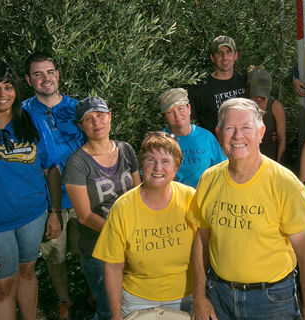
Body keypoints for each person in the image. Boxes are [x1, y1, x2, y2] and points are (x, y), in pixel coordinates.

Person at [0, 52, 83, 320]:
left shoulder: (32, 121)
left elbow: (50, 168)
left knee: (28, 273)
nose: (1, 94)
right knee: (1, 287)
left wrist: (53, 212)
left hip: (32, 215)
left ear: (16, 90)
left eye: (8, 87)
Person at [188, 98, 305, 320]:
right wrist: (199, 297)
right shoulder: (209, 179)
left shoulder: (285, 184)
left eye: (246, 128)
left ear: (261, 132)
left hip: (271, 300)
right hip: (219, 296)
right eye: (230, 128)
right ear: (219, 134)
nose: (238, 136)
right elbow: (201, 241)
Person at [93, 132, 197, 318]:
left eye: (166, 161)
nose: (158, 167)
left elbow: (205, 252)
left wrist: (202, 298)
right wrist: (116, 314)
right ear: (141, 165)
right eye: (151, 160)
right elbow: (113, 266)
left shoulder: (191, 198)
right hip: (136, 300)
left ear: (176, 168)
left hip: (185, 296)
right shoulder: (123, 207)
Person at [63, 97, 142, 320]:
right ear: (81, 126)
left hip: (134, 242)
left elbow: (139, 194)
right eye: (88, 119)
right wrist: (122, 235)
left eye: (100, 115)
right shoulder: (77, 163)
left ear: (109, 117)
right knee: (109, 309)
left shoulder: (126, 150)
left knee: (135, 305)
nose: (96, 122)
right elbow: (85, 216)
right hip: (100, 250)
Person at [159, 88, 227, 188]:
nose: (177, 115)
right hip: (174, 200)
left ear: (189, 108)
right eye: (170, 112)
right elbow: (150, 177)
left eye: (180, 108)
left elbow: (223, 168)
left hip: (206, 198)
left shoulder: (206, 137)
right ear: (165, 117)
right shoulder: (160, 141)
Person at [188, 35, 248, 134]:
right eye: (220, 53)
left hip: (243, 144)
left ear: (235, 55)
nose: (225, 57)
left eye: (228, 52)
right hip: (214, 147)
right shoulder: (200, 89)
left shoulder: (245, 81)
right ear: (212, 58)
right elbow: (187, 122)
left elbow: (262, 104)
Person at [246, 66, 286, 163]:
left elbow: (282, 140)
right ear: (248, 87)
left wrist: (279, 166)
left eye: (262, 94)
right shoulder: (242, 105)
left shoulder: (275, 107)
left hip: (269, 163)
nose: (259, 98)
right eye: (255, 93)